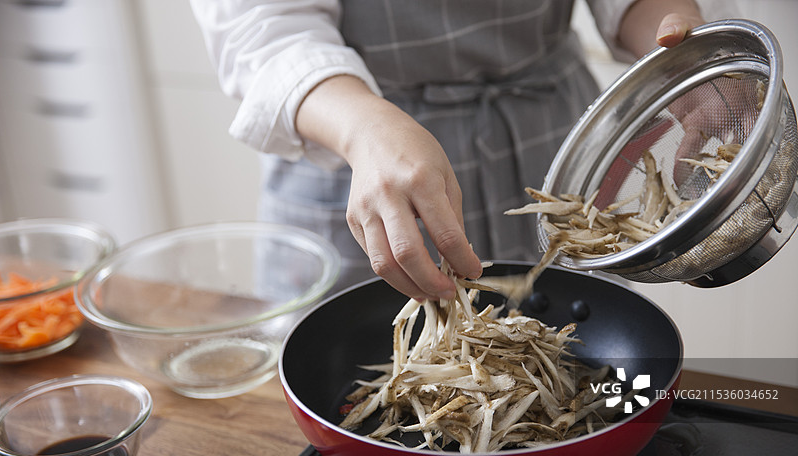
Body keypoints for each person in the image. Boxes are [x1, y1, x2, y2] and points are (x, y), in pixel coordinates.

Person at [190, 0, 710, 301]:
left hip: (546, 145)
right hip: (351, 146)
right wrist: (365, 129)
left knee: (569, 354)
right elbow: (264, 34)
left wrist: (681, 48)